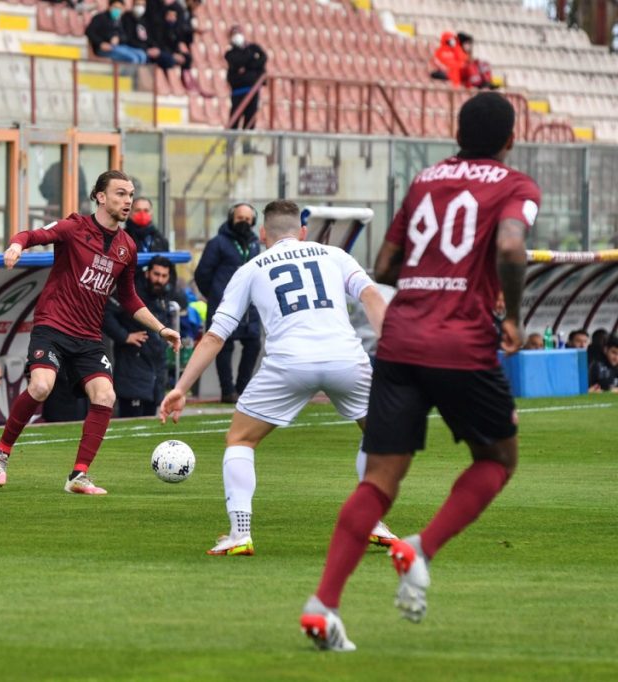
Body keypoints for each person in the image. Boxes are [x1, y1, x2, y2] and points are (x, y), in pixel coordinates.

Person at [300, 92, 541, 652]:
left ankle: (323, 605)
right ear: (510, 139)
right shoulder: (515, 185)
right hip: (461, 342)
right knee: (499, 458)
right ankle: (421, 548)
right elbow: (510, 248)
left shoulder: (425, 180)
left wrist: (430, 275)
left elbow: (385, 265)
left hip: (402, 340)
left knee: (379, 480)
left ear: (457, 131)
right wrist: (514, 316)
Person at [161, 200, 391, 556]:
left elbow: (215, 336)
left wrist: (180, 387)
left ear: (263, 234)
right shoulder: (334, 254)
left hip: (290, 362)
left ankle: (240, 533)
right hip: (346, 357)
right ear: (302, 232)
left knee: (240, 439)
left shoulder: (251, 267)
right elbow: (372, 296)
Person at [0, 170, 182, 494]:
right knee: (40, 386)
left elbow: (129, 298)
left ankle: (78, 475)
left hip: (89, 337)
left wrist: (161, 328)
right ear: (101, 197)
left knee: (105, 395)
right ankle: (1, 452)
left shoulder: (127, 247)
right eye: (120, 193)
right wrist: (15, 247)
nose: (128, 201)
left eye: (131, 195)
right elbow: (31, 235)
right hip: (53, 325)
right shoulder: (74, 227)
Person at [194, 203, 263, 403]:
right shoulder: (217, 243)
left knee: (253, 344)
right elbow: (202, 274)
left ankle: (242, 389)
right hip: (224, 305)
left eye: (248, 219)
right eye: (240, 218)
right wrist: (216, 295)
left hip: (250, 307)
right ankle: (227, 391)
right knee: (223, 346)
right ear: (232, 218)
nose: (244, 222)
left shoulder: (254, 245)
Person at [105, 255, 176, 417]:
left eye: (164, 276)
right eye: (156, 274)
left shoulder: (163, 296)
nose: (159, 280)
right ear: (147, 273)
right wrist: (124, 336)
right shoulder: (131, 293)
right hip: (132, 368)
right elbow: (106, 313)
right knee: (130, 424)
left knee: (149, 424)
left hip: (155, 373)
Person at [224, 25, 267, 130]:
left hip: (252, 92)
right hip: (238, 92)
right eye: (234, 34)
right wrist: (251, 58)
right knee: (235, 119)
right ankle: (230, 145)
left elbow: (263, 58)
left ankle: (246, 146)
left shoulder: (252, 48)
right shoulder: (230, 53)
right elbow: (238, 61)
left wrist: (247, 66)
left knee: (250, 120)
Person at [86, 0, 148, 64]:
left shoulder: (122, 20)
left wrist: (118, 38)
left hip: (120, 47)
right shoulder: (100, 18)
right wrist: (100, 43)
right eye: (115, 7)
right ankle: (126, 74)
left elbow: (125, 36)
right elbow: (89, 31)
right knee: (133, 58)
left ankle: (135, 73)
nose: (117, 10)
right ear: (109, 7)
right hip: (105, 48)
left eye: (119, 8)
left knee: (142, 55)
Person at [122, 0, 176, 70]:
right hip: (137, 49)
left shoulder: (144, 20)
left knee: (169, 59)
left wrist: (154, 48)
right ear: (133, 5)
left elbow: (148, 38)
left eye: (143, 5)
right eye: (138, 4)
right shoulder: (127, 18)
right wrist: (146, 49)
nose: (140, 7)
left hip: (148, 49)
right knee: (142, 57)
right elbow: (129, 39)